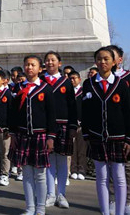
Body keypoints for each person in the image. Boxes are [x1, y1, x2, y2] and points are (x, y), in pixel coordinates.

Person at [82, 47, 130, 215]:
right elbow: (85, 111)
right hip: (96, 137)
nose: (102, 62)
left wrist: (129, 138)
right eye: (99, 59)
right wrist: (86, 133)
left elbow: (128, 112)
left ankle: (119, 212)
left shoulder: (121, 84)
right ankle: (105, 211)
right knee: (101, 177)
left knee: (119, 177)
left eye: (106, 59)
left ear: (114, 62)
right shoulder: (88, 83)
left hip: (118, 137)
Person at [10, 55, 56, 215]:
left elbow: (51, 114)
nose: (30, 67)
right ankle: (30, 207)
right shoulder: (18, 88)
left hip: (40, 137)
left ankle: (40, 208)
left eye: (33, 65)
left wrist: (51, 137)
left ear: (40, 68)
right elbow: (13, 114)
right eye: (27, 65)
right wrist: (13, 133)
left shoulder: (46, 89)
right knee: (27, 174)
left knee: (41, 175)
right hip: (22, 135)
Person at [107, 45, 130, 215]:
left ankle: (128, 201)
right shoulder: (102, 80)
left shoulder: (129, 78)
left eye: (111, 56)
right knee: (111, 168)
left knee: (128, 167)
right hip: (108, 131)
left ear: (119, 60)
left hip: (127, 131)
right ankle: (114, 199)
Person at [43, 51, 77, 210]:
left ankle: (61, 193)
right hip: (45, 127)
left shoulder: (66, 82)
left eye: (53, 60)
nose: (50, 63)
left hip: (63, 125)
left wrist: (72, 126)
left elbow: (72, 106)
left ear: (59, 63)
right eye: (47, 60)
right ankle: (50, 194)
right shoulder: (41, 80)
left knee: (62, 160)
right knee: (49, 161)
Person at [68, 71, 87, 180]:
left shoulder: (83, 92)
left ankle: (82, 170)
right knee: (72, 149)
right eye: (70, 78)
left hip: (81, 125)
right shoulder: (68, 92)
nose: (72, 80)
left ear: (79, 79)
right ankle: (73, 169)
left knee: (81, 149)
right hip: (71, 125)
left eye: (74, 78)